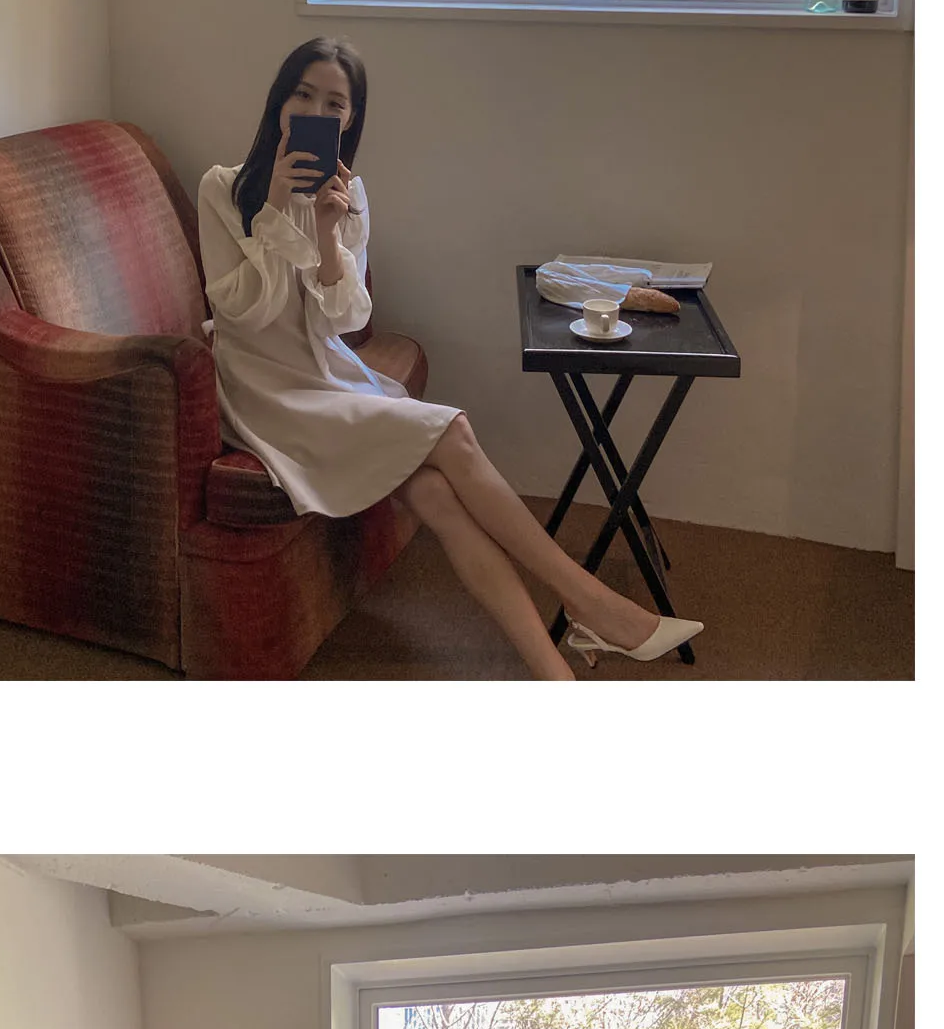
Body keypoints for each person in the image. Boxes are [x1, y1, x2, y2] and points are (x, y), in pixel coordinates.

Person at [197, 41, 703, 682]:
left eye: (334, 104)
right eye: (303, 94)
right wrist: (272, 210)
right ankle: (590, 602)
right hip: (264, 392)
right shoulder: (223, 188)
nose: (315, 112)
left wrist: (326, 233)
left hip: (326, 373)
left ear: (350, 121)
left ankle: (555, 672)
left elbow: (344, 322)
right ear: (279, 100)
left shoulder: (348, 197)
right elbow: (245, 315)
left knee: (435, 493)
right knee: (454, 430)